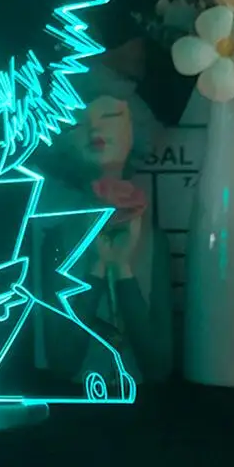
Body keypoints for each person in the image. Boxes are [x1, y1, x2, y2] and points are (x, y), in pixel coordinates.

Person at [32, 59, 174, 386]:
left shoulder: (153, 240)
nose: (95, 130)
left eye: (110, 116)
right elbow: (61, 362)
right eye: (76, 123)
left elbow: (159, 365)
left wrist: (121, 268)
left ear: (135, 127)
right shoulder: (60, 241)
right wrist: (97, 267)